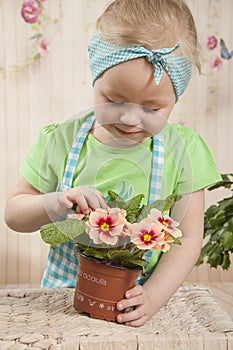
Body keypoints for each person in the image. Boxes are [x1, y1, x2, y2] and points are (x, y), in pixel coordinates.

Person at [5, 0, 221, 327]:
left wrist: (153, 297)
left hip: (139, 304)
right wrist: (57, 201)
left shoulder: (184, 151)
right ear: (96, 78)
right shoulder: (60, 141)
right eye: (114, 100)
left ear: (175, 98)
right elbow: (14, 215)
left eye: (153, 108)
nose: (131, 118)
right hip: (62, 305)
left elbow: (189, 238)